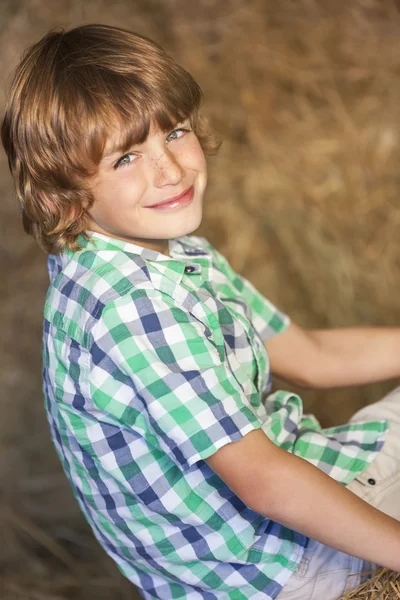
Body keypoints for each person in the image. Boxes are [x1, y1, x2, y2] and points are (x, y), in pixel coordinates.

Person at [2, 23, 400, 600]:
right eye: (126, 158)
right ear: (59, 196)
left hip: (272, 522)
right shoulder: (132, 307)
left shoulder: (162, 257)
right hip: (280, 567)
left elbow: (311, 356)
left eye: (176, 132)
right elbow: (264, 483)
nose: (171, 170)